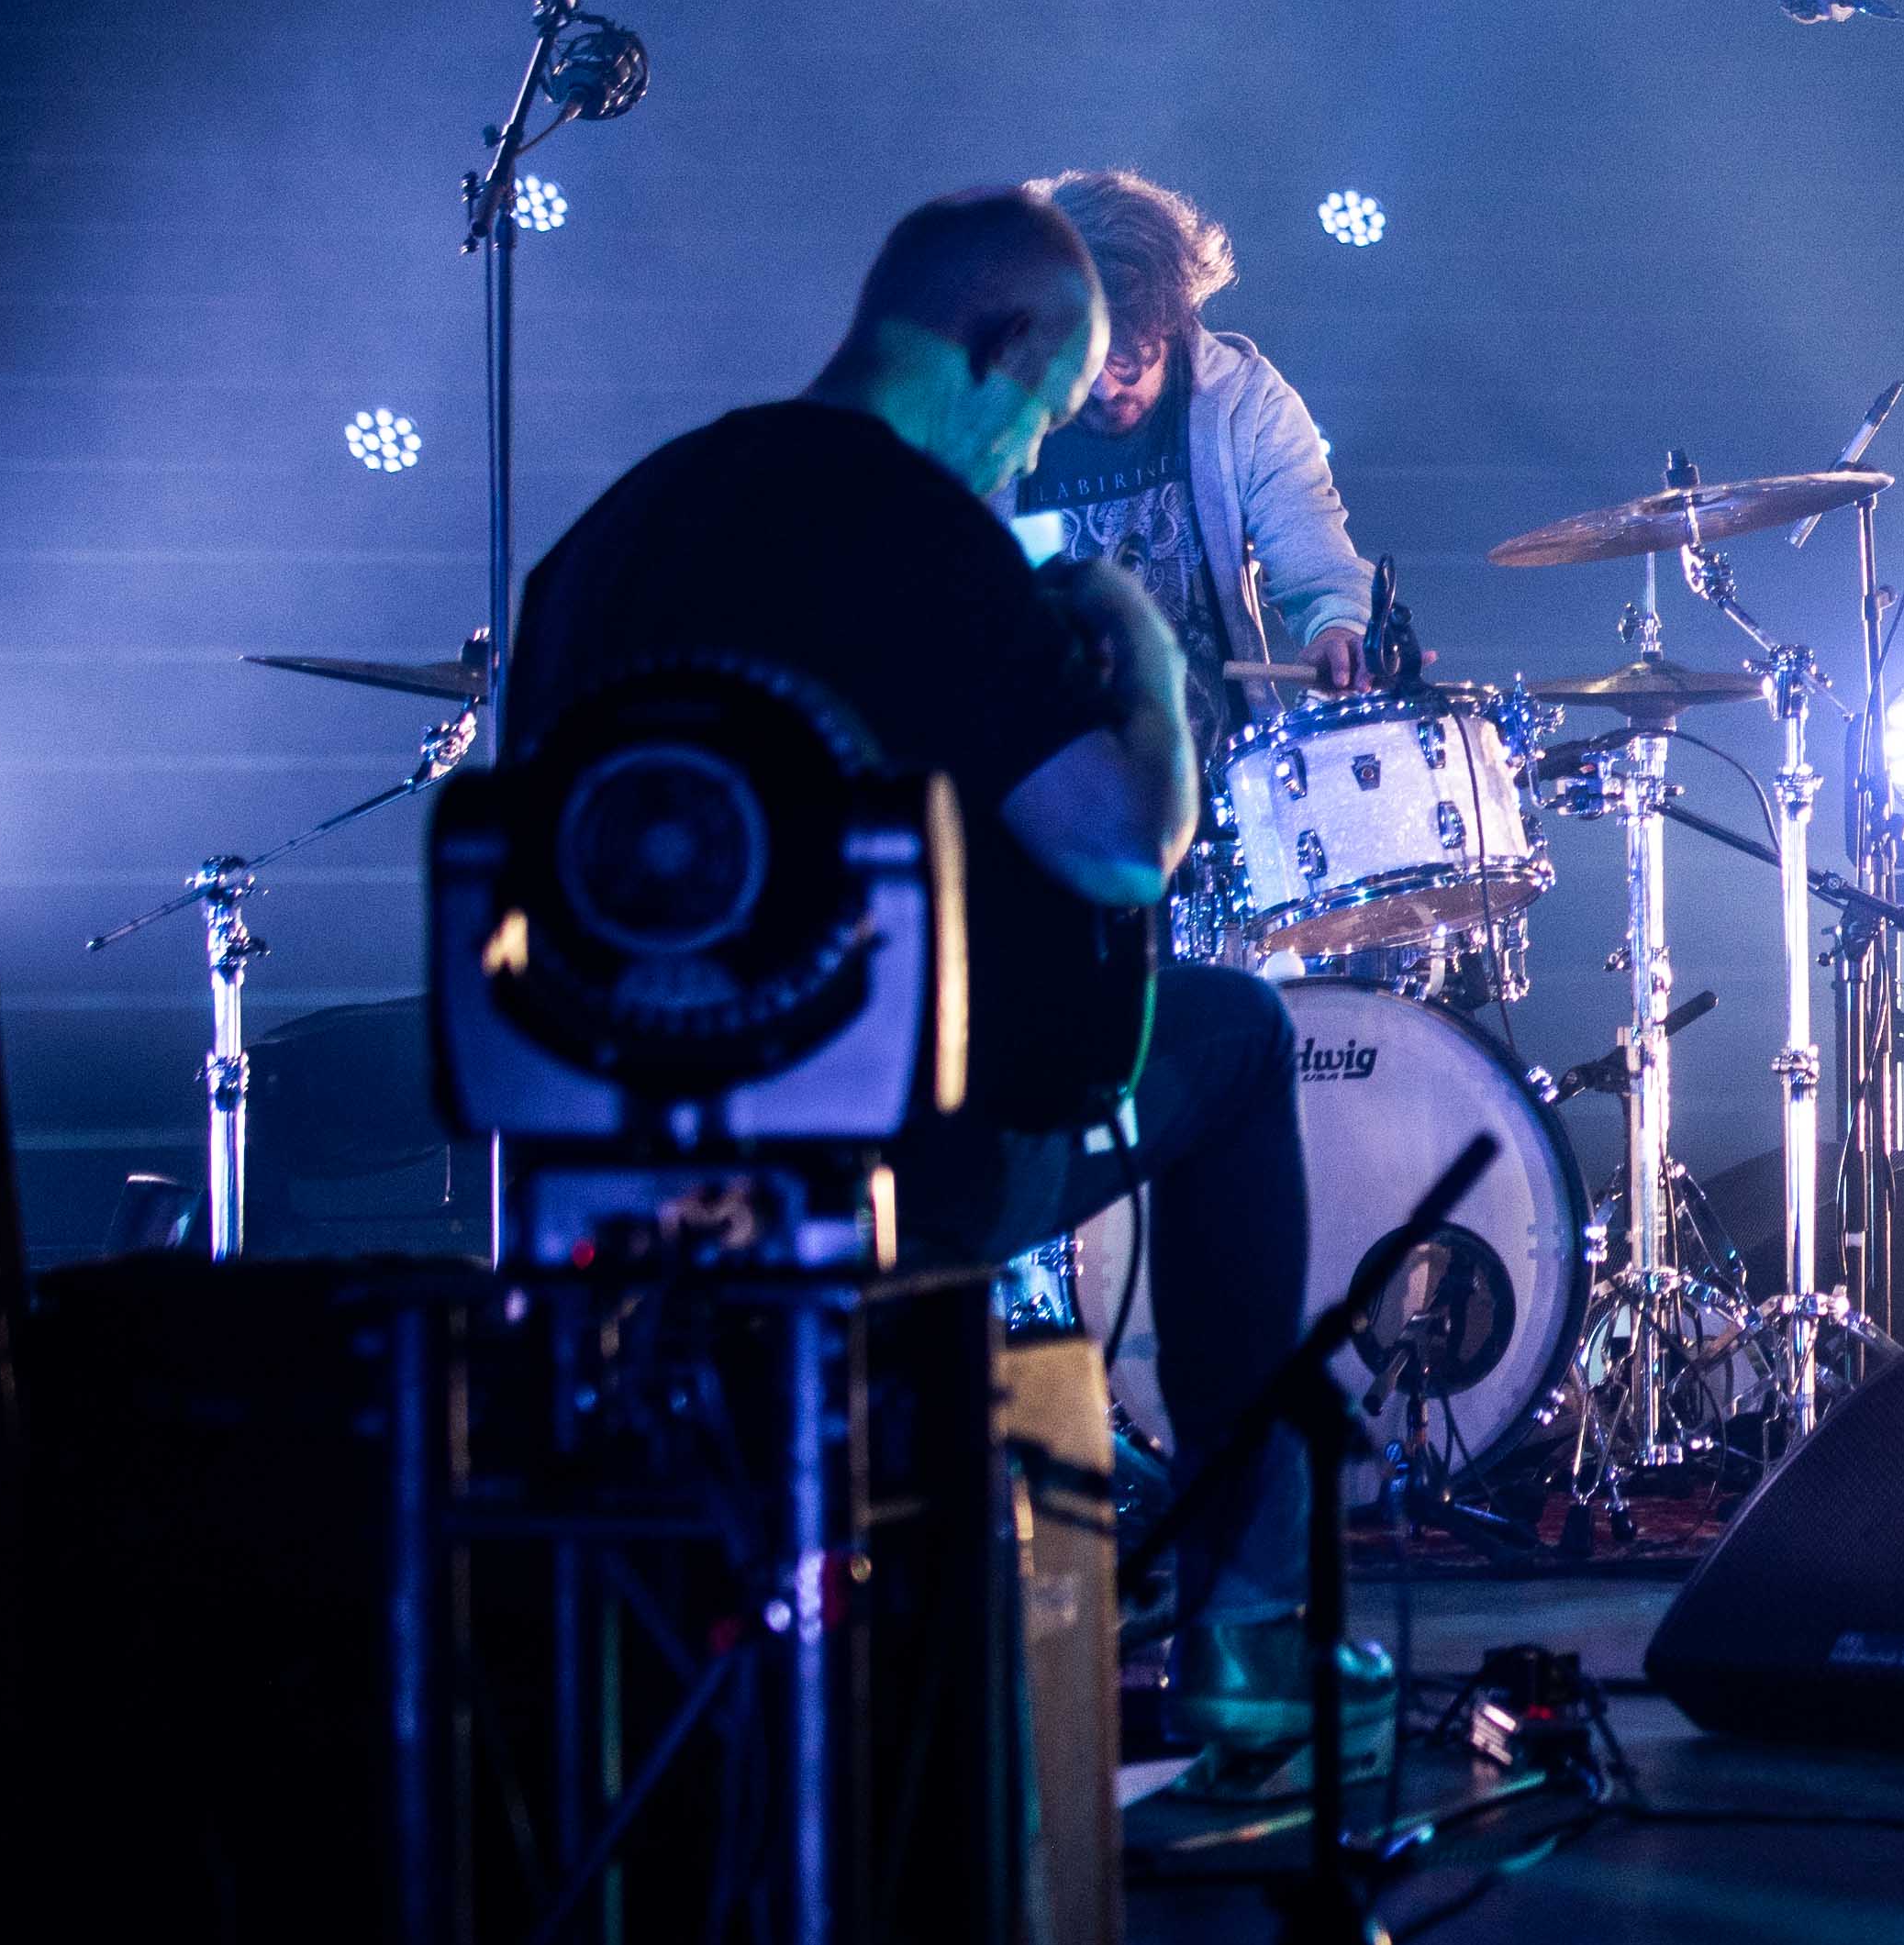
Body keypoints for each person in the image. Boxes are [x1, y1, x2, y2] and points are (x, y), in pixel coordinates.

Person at [504, 186, 1312, 1625]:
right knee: (1240, 1032)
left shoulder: (604, 539)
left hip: (613, 1173)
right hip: (889, 1169)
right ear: (999, 348)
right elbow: (1125, 846)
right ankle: (1249, 1634)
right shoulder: (926, 539)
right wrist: (1138, 651)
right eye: (1041, 408)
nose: (1031, 449)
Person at [1012, 167, 1381, 760]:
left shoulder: (1247, 403)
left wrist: (1338, 629)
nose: (1105, 390)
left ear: (1173, 316)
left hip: (1221, 777)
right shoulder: (1006, 415)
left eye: (1129, 361)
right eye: (1084, 362)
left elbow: (1316, 568)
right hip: (1040, 778)